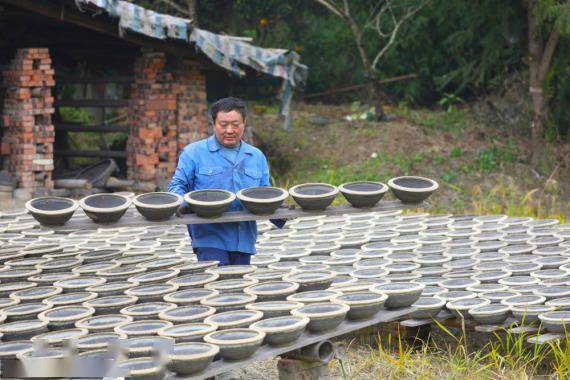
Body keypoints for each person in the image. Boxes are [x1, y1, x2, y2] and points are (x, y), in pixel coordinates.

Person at [168, 97, 285, 265]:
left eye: (235, 124)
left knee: (238, 288)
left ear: (244, 123)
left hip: (243, 238)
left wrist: (279, 211)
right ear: (213, 124)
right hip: (209, 237)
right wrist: (179, 202)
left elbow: (263, 193)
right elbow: (177, 185)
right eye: (223, 125)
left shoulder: (256, 156)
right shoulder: (194, 153)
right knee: (218, 285)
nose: (229, 130)